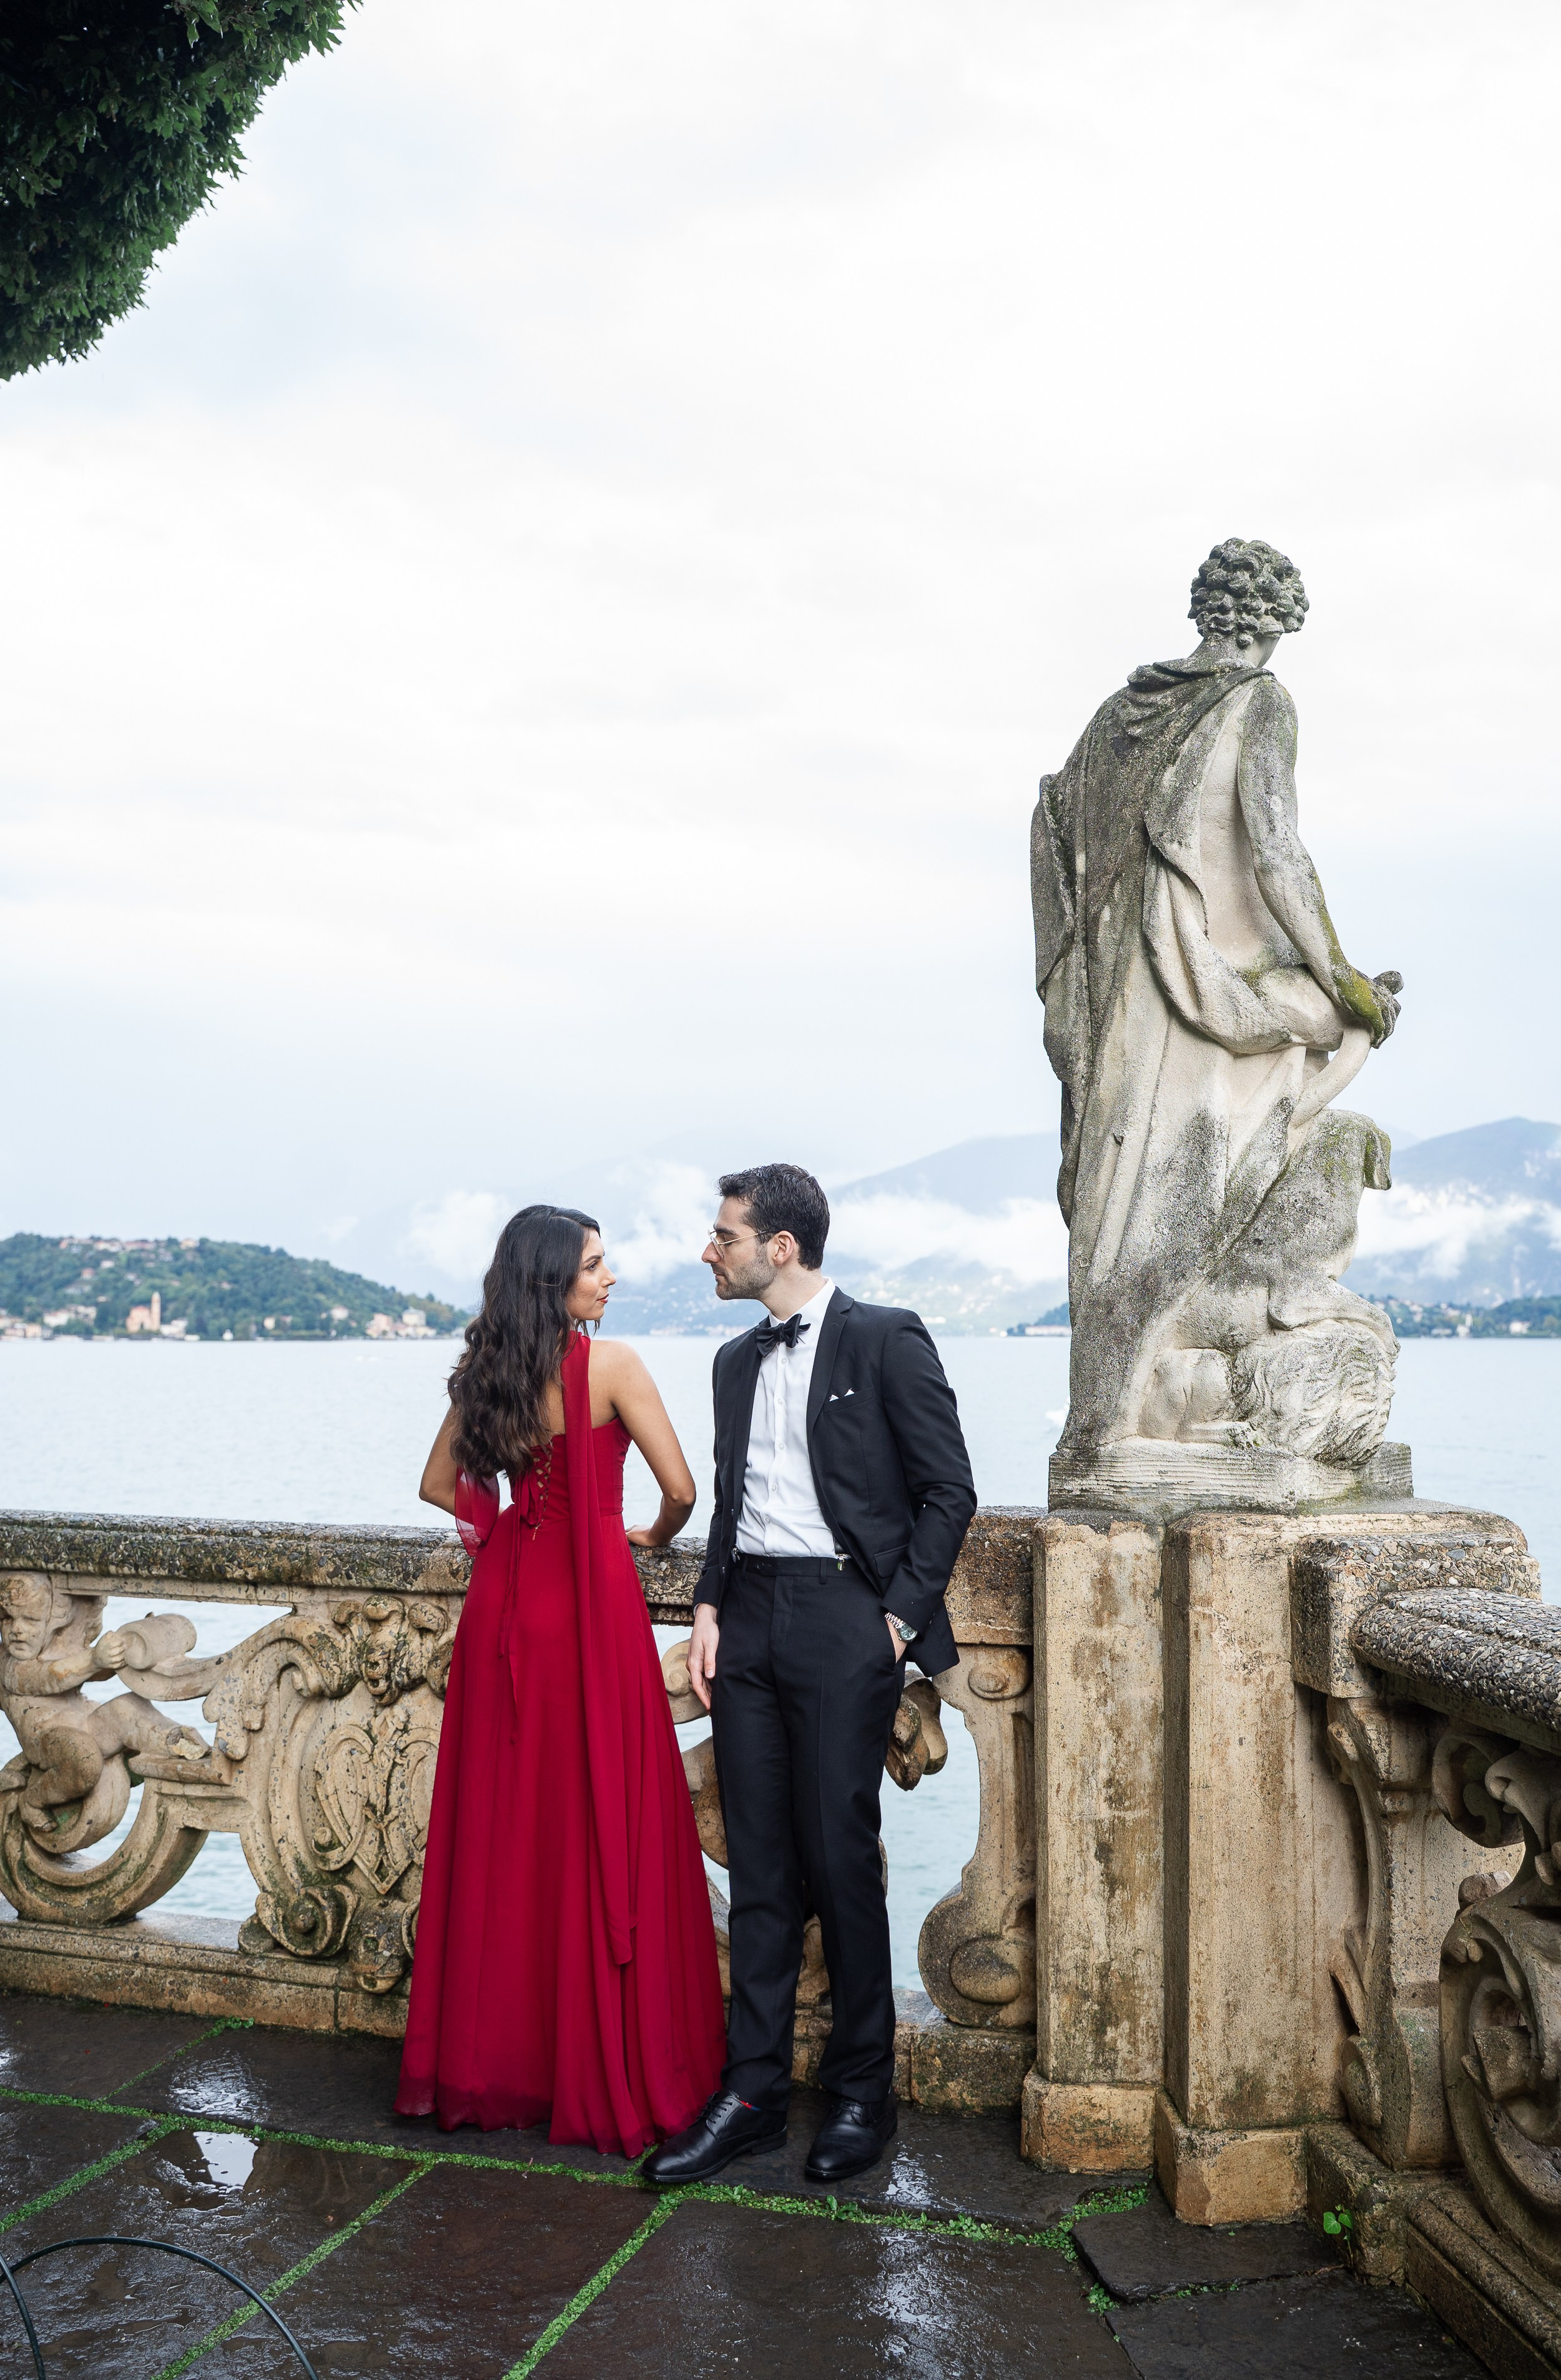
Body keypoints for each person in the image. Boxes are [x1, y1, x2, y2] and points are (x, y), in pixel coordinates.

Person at [1030, 538, 1403, 1466]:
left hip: (1116, 1002)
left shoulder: (1118, 718)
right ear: (1277, 621)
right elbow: (1277, 853)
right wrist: (1348, 980)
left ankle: (1104, 1428)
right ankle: (1117, 1431)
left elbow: (1056, 843)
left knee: (1122, 1210)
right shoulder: (1260, 701)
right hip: (1193, 997)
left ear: (1206, 611)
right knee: (1181, 1194)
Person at [643, 1163, 976, 2188]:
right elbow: (735, 1501)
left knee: (841, 1857)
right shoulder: (733, 1363)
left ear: (779, 1246)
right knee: (762, 1863)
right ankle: (750, 2095)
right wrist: (706, 1603)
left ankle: (861, 2093)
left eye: (724, 1234)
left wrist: (891, 1623)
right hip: (747, 1626)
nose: (711, 1249)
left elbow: (948, 1492)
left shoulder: (885, 1337)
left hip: (845, 1619)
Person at [395, 1205, 725, 2156]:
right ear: (556, 1282)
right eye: (593, 1264)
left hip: (506, 1606)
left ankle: (499, 2066)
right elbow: (683, 1490)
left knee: (512, 1826)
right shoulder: (612, 1367)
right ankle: (600, 2058)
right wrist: (651, 1540)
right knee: (598, 1816)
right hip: (589, 1605)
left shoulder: (486, 1373)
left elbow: (436, 1487)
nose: (609, 1277)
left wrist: (508, 1531)